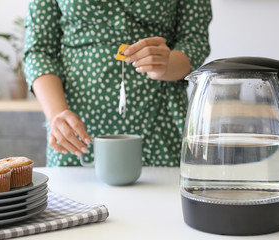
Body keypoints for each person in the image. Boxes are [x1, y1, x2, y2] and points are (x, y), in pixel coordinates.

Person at [23, 0, 212, 167]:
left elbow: (195, 41)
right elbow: (39, 50)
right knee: (73, 203)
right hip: (75, 129)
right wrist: (57, 112)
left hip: (159, 122)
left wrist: (166, 64)